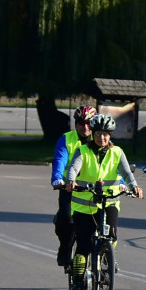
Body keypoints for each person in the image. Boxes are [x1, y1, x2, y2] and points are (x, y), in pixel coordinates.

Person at [65, 113, 144, 290]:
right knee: (83, 244)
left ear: (111, 135)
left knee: (112, 234)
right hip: (85, 205)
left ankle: (108, 257)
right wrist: (71, 181)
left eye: (106, 134)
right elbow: (74, 169)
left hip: (109, 201)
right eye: (99, 133)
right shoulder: (83, 151)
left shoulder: (117, 152)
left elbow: (127, 173)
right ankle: (77, 283)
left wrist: (135, 187)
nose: (102, 137)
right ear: (92, 134)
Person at [50, 105, 95, 267]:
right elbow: (60, 160)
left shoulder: (102, 139)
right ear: (76, 124)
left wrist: (123, 183)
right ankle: (65, 247)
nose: (85, 127)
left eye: (89, 123)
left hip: (93, 190)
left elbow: (114, 163)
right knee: (66, 219)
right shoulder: (66, 139)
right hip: (70, 188)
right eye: (81, 123)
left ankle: (105, 256)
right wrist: (57, 179)